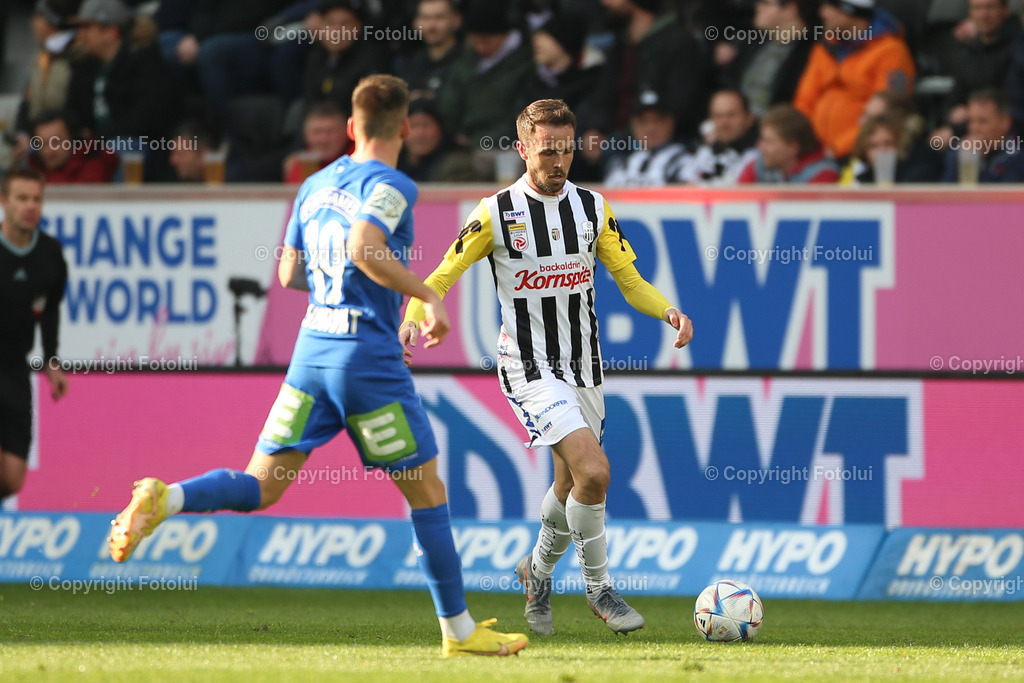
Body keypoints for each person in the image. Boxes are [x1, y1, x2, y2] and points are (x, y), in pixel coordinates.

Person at [107, 74, 528, 658]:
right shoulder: (392, 183)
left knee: (262, 485)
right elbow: (364, 247)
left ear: (351, 127)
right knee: (428, 493)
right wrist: (426, 295)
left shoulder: (314, 183)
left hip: (311, 353)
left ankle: (167, 496)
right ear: (405, 127)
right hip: (365, 361)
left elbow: (287, 273)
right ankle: (458, 631)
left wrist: (343, 288)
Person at [401, 99, 694, 636]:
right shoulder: (495, 213)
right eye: (546, 151)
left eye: (566, 150)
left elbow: (630, 281)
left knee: (569, 486)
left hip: (585, 366)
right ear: (522, 149)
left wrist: (667, 310)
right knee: (595, 472)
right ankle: (600, 589)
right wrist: (411, 319)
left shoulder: (593, 207)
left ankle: (535, 574)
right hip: (529, 366)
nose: (558, 162)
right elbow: (440, 276)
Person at [0, 168, 69, 504]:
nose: (30, 206)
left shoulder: (50, 254)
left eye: (36, 199)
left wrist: (51, 360)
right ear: (4, 202)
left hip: (15, 369)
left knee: (11, 478)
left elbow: (50, 309)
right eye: (22, 198)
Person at [794, 0, 915, 159]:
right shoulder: (825, 47)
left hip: (860, 155)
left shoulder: (891, 52)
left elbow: (887, 115)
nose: (822, 13)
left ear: (849, 11)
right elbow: (804, 102)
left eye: (829, 7)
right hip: (813, 153)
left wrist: (835, 149)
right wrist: (802, 144)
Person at [603, 91, 689, 187]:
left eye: (658, 120)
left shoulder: (683, 161)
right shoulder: (620, 161)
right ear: (633, 124)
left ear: (670, 122)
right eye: (643, 121)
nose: (651, 128)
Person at [737, 104, 839, 183]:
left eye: (769, 142)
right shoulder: (759, 166)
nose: (760, 147)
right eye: (762, 140)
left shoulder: (822, 175)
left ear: (793, 148)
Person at [678, 89, 759, 186]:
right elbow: (687, 181)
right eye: (718, 116)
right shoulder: (704, 152)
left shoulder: (759, 156)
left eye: (731, 115)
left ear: (749, 118)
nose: (724, 123)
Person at [941, 88, 1024, 182]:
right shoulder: (958, 152)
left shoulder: (1018, 157)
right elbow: (948, 188)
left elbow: (1003, 189)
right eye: (971, 121)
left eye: (982, 121)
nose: (974, 128)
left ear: (1005, 122)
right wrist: (962, 159)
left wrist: (976, 164)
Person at [28, 109, 119, 184]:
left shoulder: (93, 167)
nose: (49, 150)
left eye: (56, 142)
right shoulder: (33, 171)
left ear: (72, 138)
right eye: (43, 144)